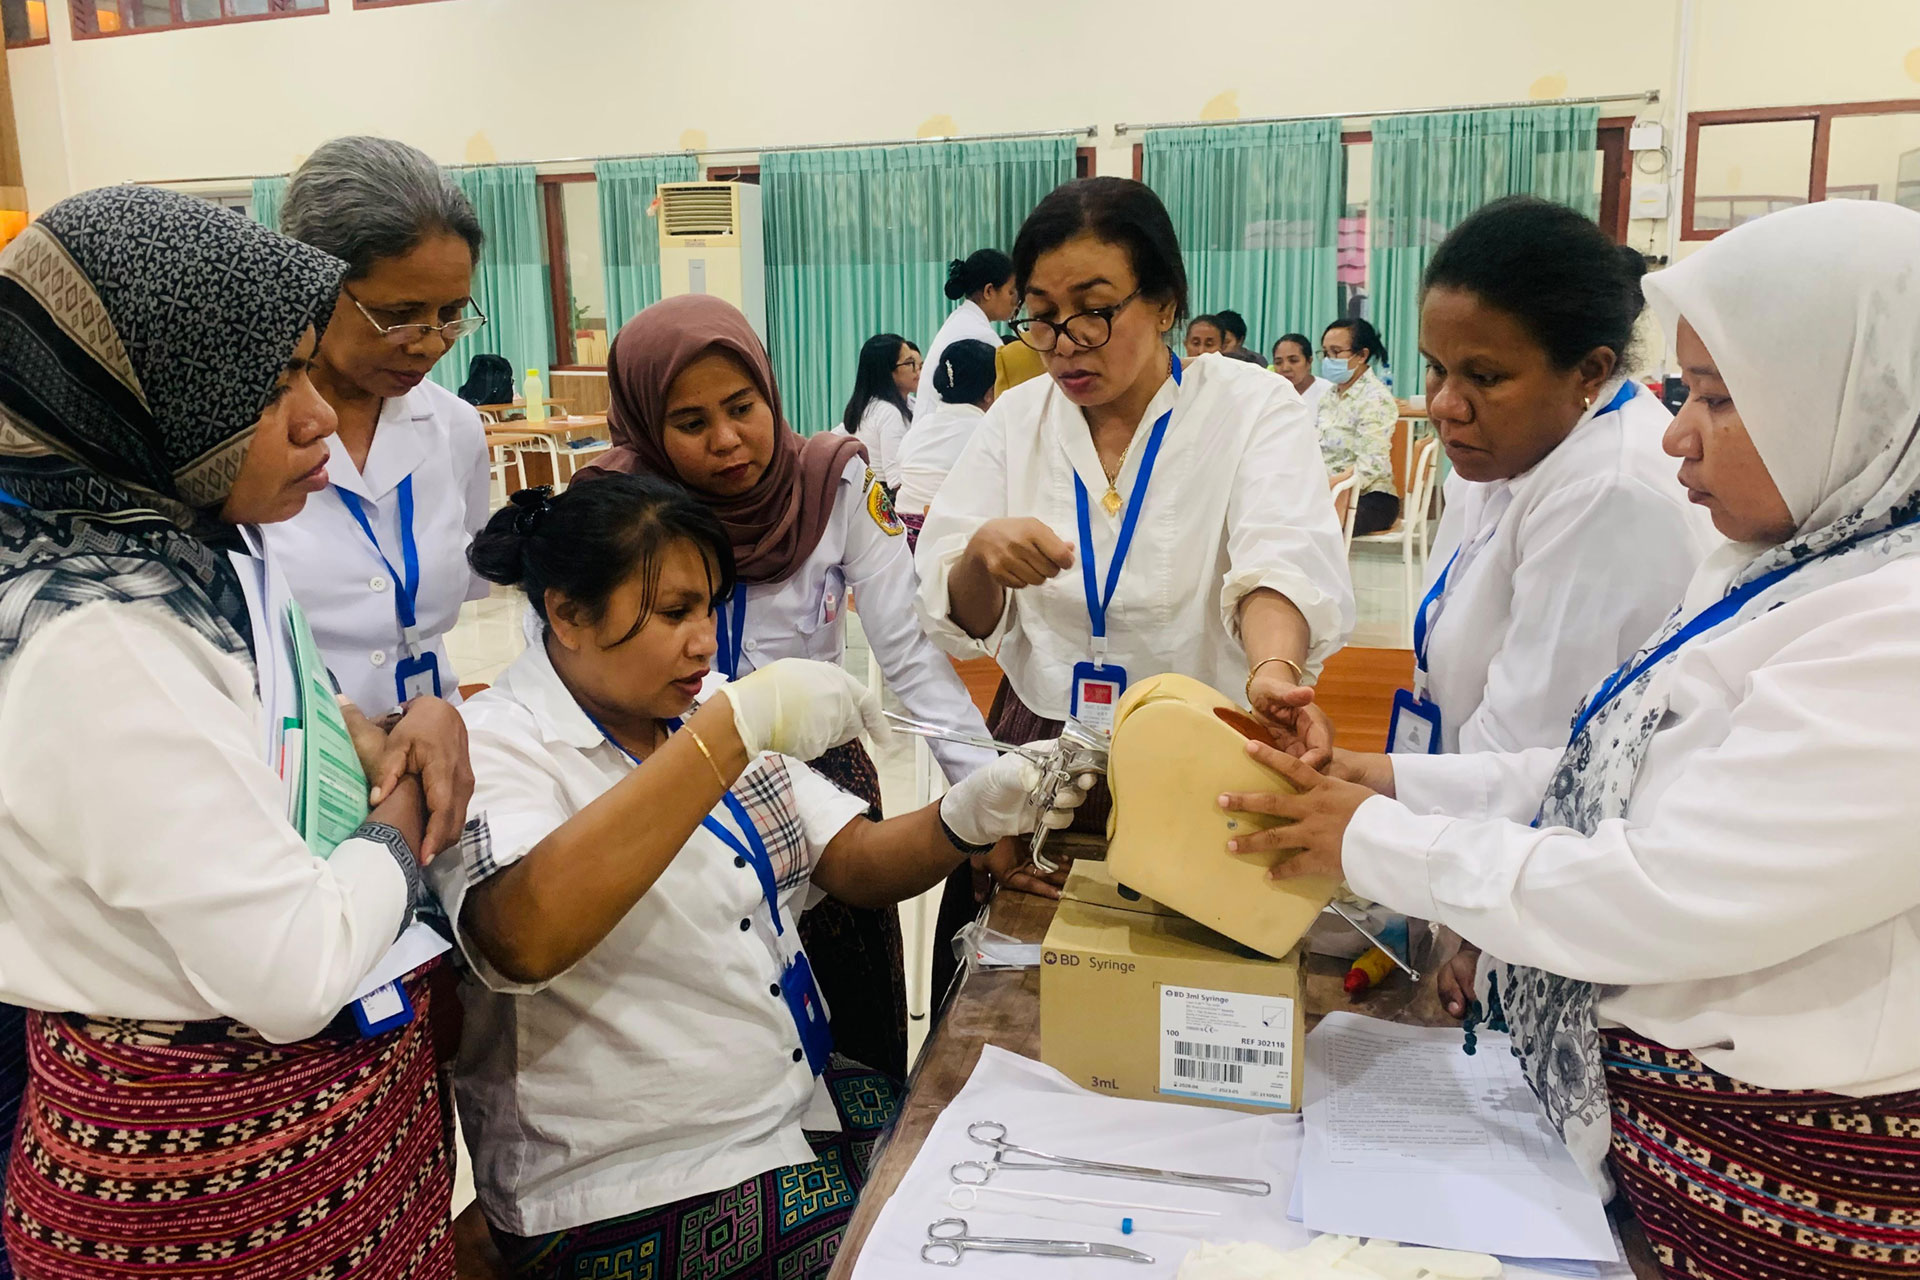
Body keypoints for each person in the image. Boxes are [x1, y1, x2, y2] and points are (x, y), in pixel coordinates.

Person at [1220, 198, 1920, 1280]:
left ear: (1859, 404)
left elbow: (1672, 888)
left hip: (1781, 1177)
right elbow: (1614, 767)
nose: (1677, 427)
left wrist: (1380, 839)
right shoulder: (1790, 560)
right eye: (1685, 392)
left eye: (1720, 400)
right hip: (1657, 1134)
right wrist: (1392, 778)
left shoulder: (1898, 634)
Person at [436, 476, 1087, 1278]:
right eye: (674, 614)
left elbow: (850, 859)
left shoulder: (696, 709)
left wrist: (972, 813)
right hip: (629, 1176)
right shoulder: (499, 747)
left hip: (775, 1107)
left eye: (709, 607)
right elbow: (521, 940)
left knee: (992, 1176)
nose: (705, 641)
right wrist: (725, 736)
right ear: (566, 614)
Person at [0, 186, 462, 1277]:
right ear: (134, 397)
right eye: (265, 386)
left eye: (306, 367)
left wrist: (382, 725)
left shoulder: (184, 557)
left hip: (321, 1154)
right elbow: (292, 965)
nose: (314, 416)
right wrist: (413, 790)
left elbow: (259, 730)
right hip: (209, 1195)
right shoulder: (95, 637)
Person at [914, 176, 1354, 1001]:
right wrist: (979, 556)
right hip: (1045, 749)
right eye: (1040, 314)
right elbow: (959, 615)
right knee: (1026, 1000)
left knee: (1195, 994)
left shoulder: (1249, 406)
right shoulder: (1017, 419)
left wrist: (1274, 673)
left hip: (1205, 741)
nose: (1063, 341)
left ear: (1163, 303)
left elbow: (1279, 559)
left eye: (1093, 308)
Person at [574, 295, 1000, 1079]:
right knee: (714, 1033)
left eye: (742, 408)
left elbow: (910, 655)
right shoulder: (611, 506)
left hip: (820, 785)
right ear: (645, 424)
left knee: (853, 1037)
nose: (728, 440)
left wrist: (990, 793)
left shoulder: (832, 482)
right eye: (692, 423)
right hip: (667, 783)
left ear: (769, 392)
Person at [1401, 197, 1711, 758]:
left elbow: (1523, 760)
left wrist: (1371, 802)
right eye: (1435, 367)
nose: (1446, 405)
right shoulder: (1502, 453)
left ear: (1589, 371)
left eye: (1485, 376)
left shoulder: (1607, 492)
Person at [267, 136, 493, 719]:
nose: (430, 343)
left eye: (451, 315)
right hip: (302, 766)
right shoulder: (242, 440)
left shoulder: (456, 429)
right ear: (311, 284)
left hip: (437, 752)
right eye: (398, 317)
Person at [898, 337, 998, 545]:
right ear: (990, 393)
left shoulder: (920, 428)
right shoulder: (986, 433)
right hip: (947, 543)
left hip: (900, 542)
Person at [1315, 317, 1401, 535]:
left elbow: (1372, 464)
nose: (1328, 360)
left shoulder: (1375, 398)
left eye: (1336, 352)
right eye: (1325, 353)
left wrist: (1332, 485)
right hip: (1327, 492)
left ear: (1361, 355)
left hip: (1370, 497)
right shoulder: (1328, 396)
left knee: (1314, 524)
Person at [915, 249, 1017, 422]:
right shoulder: (981, 337)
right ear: (989, 291)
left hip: (932, 430)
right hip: (953, 435)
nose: (1015, 300)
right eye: (1011, 292)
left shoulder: (961, 320)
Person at [841, 332, 916, 492]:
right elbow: (896, 480)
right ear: (887, 372)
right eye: (910, 363)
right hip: (885, 500)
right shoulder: (888, 412)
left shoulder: (907, 404)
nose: (917, 370)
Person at [1271, 332, 1332, 416]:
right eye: (1278, 362)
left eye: (1293, 361)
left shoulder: (1329, 393)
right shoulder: (1270, 394)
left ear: (1309, 362)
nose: (1285, 368)